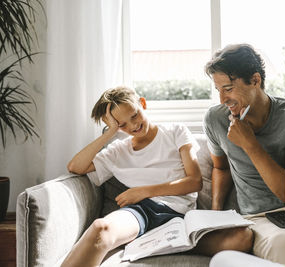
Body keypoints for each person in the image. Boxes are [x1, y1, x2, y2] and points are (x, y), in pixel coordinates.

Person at [201, 43, 285, 267]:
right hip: (261, 219)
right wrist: (216, 215)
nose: (222, 99)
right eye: (218, 90)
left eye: (227, 88)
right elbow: (221, 167)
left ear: (255, 80)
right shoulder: (215, 120)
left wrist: (250, 144)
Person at [61, 86, 205, 267]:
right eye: (122, 125)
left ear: (142, 104)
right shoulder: (117, 151)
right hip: (142, 213)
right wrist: (111, 132)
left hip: (181, 215)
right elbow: (75, 167)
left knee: (239, 239)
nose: (133, 126)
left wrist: (143, 191)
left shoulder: (175, 131)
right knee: (100, 229)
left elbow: (195, 182)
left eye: (134, 115)